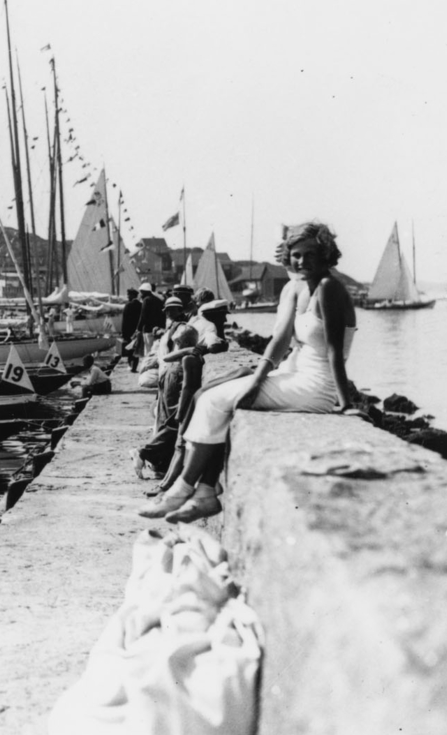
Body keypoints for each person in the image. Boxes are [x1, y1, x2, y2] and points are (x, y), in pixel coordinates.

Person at [139, 222, 358, 523]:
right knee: (216, 395)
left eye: (310, 254)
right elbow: (280, 341)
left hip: (316, 385)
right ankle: (204, 491)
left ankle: (184, 489)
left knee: (214, 401)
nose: (301, 261)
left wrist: (346, 404)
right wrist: (258, 378)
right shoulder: (297, 288)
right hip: (293, 372)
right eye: (296, 255)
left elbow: (334, 351)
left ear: (325, 254)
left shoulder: (329, 288)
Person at [138, 324, 200, 476]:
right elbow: (187, 387)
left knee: (164, 419)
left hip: (167, 373)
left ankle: (159, 465)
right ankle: (143, 452)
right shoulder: (188, 356)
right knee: (174, 423)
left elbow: (166, 358)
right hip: (175, 375)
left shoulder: (175, 351)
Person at [137, 283, 163, 359]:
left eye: (141, 292)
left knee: (148, 350)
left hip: (148, 330)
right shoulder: (158, 300)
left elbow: (143, 316)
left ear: (143, 291)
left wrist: (138, 329)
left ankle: (148, 362)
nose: (140, 294)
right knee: (155, 349)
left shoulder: (146, 300)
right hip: (157, 330)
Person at [120, 288, 142, 371]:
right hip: (138, 330)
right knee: (136, 349)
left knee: (130, 349)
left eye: (128, 295)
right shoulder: (141, 305)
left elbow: (125, 321)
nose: (127, 296)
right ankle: (134, 366)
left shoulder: (128, 305)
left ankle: (130, 365)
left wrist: (123, 333)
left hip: (129, 332)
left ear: (132, 295)